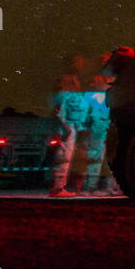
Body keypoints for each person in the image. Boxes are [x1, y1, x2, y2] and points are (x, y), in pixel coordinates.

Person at [49, 61, 89, 197]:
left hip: (69, 125)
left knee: (66, 155)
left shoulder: (70, 89)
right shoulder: (65, 89)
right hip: (67, 126)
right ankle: (58, 188)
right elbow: (60, 109)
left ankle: (59, 187)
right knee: (64, 155)